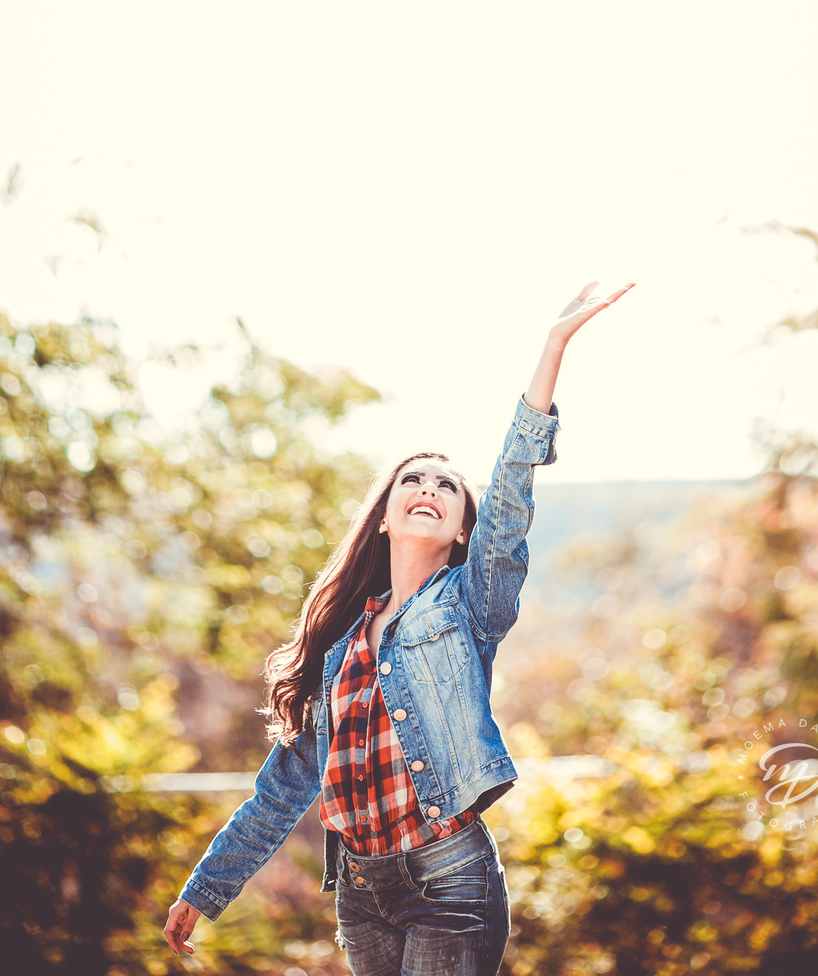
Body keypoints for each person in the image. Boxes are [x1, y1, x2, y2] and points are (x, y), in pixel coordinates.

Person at [163, 279, 633, 975]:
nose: (430, 490)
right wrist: (207, 890)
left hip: (449, 879)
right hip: (359, 893)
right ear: (384, 514)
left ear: (464, 528)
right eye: (414, 480)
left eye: (448, 487)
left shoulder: (471, 606)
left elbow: (510, 488)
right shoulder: (340, 646)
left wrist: (552, 346)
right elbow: (284, 786)